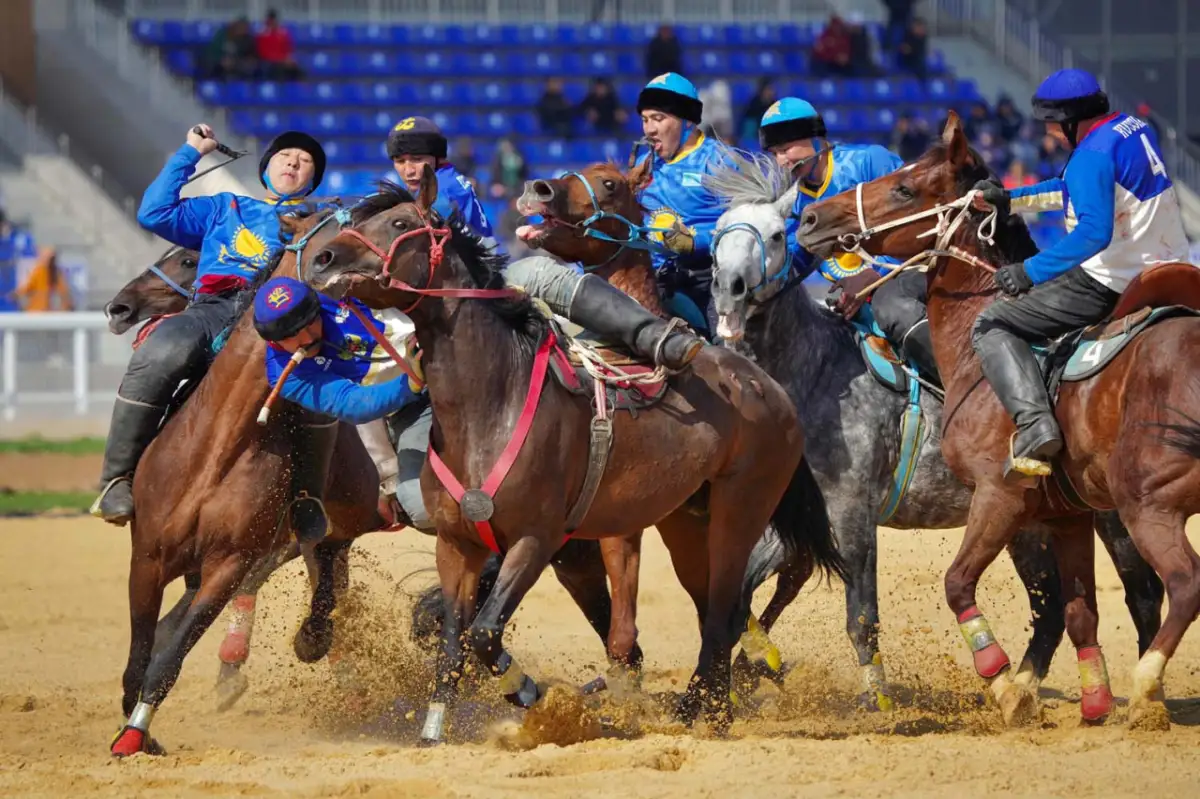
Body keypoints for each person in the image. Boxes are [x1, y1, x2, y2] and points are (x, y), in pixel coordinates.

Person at [92, 126, 327, 529]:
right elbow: (153, 213)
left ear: (313, 180)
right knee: (162, 350)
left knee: (320, 377)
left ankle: (308, 499)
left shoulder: (320, 224)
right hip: (212, 310)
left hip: (282, 319)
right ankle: (117, 479)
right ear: (265, 167)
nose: (293, 162)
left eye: (305, 161)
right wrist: (191, 152)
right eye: (284, 155)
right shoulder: (225, 207)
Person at [969, 68, 1191, 481]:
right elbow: (1075, 188)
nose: (1050, 133)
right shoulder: (1132, 127)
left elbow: (1093, 233)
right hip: (1173, 267)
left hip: (1111, 281)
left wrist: (1029, 271)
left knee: (992, 323)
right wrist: (1009, 200)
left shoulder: (1090, 155)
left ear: (1072, 120)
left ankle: (1036, 428)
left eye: (1052, 124)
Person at [758, 98, 939, 382]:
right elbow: (794, 260)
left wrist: (872, 276)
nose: (781, 161)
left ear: (815, 139)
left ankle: (956, 382)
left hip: (911, 275)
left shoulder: (869, 161)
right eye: (774, 153)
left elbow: (918, 224)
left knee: (891, 308)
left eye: (786, 149)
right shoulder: (794, 202)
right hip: (849, 303)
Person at [252, 276, 433, 533]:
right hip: (413, 407)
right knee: (421, 508)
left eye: (311, 323)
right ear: (273, 340)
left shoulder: (337, 288)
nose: (307, 338)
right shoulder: (284, 374)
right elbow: (352, 403)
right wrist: (412, 382)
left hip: (447, 352)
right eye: (291, 336)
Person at [632, 72, 733, 334]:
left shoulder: (721, 161)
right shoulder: (643, 164)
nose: (649, 129)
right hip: (652, 283)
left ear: (687, 120)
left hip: (707, 282)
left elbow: (744, 230)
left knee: (726, 346)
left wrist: (693, 242)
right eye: (645, 119)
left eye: (658, 118)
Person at [386, 116, 498, 250]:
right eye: (400, 161)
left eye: (417, 159)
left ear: (437, 157)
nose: (409, 171)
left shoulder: (442, 193)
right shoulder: (445, 176)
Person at [11, 247, 73, 311]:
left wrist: (16, 293)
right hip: (41, 309)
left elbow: (64, 293)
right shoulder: (44, 271)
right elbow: (28, 287)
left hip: (41, 309)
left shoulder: (50, 273)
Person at [255, 8, 302, 81]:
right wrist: (280, 59)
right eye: (270, 20)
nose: (272, 22)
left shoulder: (283, 33)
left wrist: (288, 59)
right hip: (268, 61)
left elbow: (288, 49)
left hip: (282, 60)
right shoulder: (262, 34)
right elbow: (262, 52)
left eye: (274, 20)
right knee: (278, 69)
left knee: (297, 69)